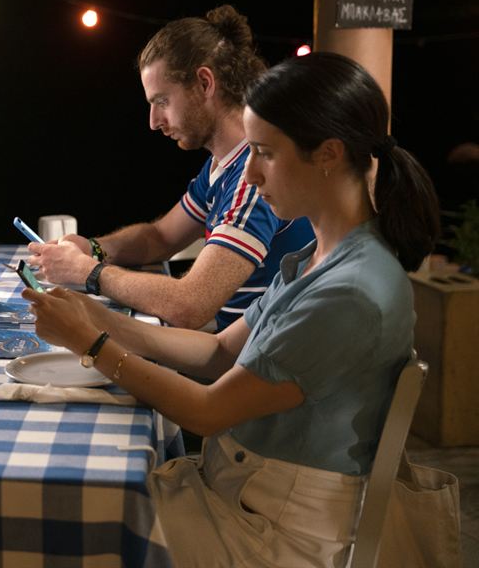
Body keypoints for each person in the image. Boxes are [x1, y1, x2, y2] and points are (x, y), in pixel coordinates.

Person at [24, 52, 440, 566]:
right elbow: (219, 350)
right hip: (249, 493)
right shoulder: (321, 254)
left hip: (283, 532)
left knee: (63, 523)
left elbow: (208, 409)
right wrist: (100, 319)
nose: (250, 172)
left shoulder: (352, 292)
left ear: (328, 154)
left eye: (263, 152)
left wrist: (92, 345)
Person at [28, 5, 313, 331]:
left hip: (238, 368)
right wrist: (93, 248)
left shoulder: (253, 174)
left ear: (205, 83)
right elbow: (162, 236)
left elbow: (190, 305)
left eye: (162, 101)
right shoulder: (222, 164)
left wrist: (87, 272)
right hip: (225, 352)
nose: (153, 122)